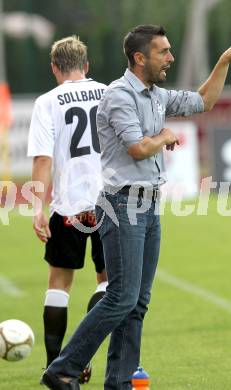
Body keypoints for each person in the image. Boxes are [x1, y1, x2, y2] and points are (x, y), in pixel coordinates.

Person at [41, 25, 231, 390]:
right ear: (140, 58)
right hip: (122, 205)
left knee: (137, 302)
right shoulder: (118, 95)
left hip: (148, 205)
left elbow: (203, 101)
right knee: (121, 297)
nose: (170, 58)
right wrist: (164, 137)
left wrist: (223, 61)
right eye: (164, 52)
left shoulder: (156, 94)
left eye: (171, 50)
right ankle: (62, 368)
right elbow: (137, 148)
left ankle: (119, 382)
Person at [27, 35, 108, 385]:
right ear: (87, 66)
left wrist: (36, 208)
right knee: (110, 284)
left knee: (59, 285)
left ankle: (55, 366)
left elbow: (43, 158)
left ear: (54, 69)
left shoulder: (47, 102)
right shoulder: (109, 92)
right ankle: (79, 356)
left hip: (67, 207)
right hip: (112, 202)